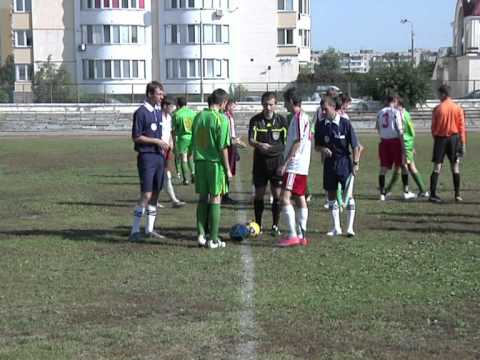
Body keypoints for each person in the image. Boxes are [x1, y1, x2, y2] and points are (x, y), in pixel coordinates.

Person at [315, 96, 362, 237]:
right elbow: (316, 146)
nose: (323, 112)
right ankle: (336, 227)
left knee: (348, 194)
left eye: (325, 109)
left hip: (344, 163)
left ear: (333, 107)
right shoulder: (321, 125)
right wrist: (323, 149)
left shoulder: (345, 123)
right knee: (331, 194)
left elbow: (355, 146)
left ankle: (350, 228)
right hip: (329, 164)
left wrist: (355, 163)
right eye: (322, 109)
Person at [192, 88, 232, 249]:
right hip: (214, 164)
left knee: (202, 198)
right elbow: (223, 146)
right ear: (223, 103)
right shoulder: (221, 118)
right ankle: (213, 239)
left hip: (199, 162)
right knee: (216, 198)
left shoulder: (198, 116)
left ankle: (201, 235)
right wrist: (228, 169)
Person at [129, 82, 170, 241]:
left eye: (162, 94)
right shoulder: (141, 112)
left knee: (155, 194)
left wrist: (165, 142)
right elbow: (136, 136)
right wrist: (156, 141)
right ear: (150, 94)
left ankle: (149, 229)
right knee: (146, 194)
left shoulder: (158, 111)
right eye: (159, 94)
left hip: (159, 157)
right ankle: (134, 231)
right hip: (147, 157)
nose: (162, 97)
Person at [248, 92, 288, 236]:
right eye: (265, 104)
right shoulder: (255, 120)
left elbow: (286, 142)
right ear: (262, 104)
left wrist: (277, 151)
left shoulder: (282, 121)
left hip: (277, 162)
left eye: (271, 104)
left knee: (277, 195)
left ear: (275, 105)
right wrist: (259, 145)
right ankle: (258, 225)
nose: (268, 107)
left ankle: (275, 225)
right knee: (259, 195)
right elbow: (250, 140)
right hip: (260, 163)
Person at [277, 88, 311, 247]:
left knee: (284, 198)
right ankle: (302, 235)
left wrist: (285, 163)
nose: (284, 105)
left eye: (285, 101)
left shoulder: (298, 118)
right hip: (302, 165)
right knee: (300, 197)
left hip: (295, 164)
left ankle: (292, 235)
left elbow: (297, 142)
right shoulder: (304, 117)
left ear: (291, 101)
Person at [429, 85, 467, 203]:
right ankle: (457, 194)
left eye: (439, 94)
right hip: (454, 139)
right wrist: (463, 143)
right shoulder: (457, 108)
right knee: (455, 166)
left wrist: (436, 138)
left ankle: (433, 194)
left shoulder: (437, 109)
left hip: (440, 139)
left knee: (437, 167)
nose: (438, 96)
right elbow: (461, 127)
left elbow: (433, 128)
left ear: (443, 94)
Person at [385, 99, 429, 197]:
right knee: (403, 167)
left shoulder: (402, 115)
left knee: (407, 167)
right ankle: (405, 190)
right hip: (404, 144)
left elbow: (410, 132)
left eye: (395, 103)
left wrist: (409, 146)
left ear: (399, 104)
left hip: (404, 144)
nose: (392, 105)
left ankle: (421, 190)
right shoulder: (404, 114)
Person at [376, 95, 416, 201]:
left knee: (383, 168)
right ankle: (406, 191)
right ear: (394, 101)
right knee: (403, 166)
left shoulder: (380, 112)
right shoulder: (396, 112)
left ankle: (382, 193)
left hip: (384, 142)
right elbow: (400, 130)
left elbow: (377, 128)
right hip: (395, 141)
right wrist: (403, 147)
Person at [160, 96, 187, 208]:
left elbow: (170, 133)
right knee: (161, 176)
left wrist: (171, 143)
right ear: (165, 105)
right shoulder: (158, 117)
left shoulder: (169, 118)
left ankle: (174, 200)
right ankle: (172, 200)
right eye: (172, 106)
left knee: (166, 175)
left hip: (166, 151)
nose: (174, 108)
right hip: (158, 150)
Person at [222, 100, 246, 204]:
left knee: (229, 171)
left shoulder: (230, 116)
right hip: (228, 146)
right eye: (233, 106)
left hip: (231, 145)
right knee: (226, 171)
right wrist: (235, 141)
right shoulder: (225, 117)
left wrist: (236, 140)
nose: (234, 108)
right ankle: (223, 195)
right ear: (227, 105)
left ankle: (225, 194)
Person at [172, 97, 196, 185]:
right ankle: (193, 175)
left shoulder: (177, 114)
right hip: (192, 137)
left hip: (183, 138)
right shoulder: (193, 113)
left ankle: (186, 179)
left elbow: (174, 130)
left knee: (184, 158)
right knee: (190, 157)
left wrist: (174, 143)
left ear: (178, 104)